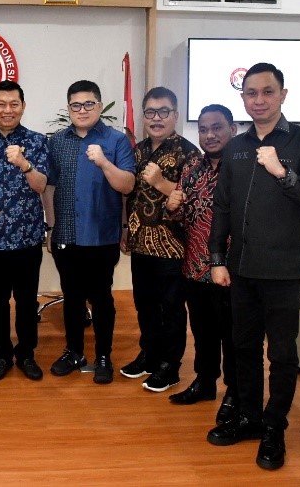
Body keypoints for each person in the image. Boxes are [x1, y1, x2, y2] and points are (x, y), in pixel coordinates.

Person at [205, 63, 300, 470]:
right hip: (241, 268)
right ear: (243, 97)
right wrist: (217, 259)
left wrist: (281, 171)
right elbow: (222, 206)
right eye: (251, 93)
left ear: (283, 95)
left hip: (284, 270)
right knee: (243, 348)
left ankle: (275, 428)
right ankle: (249, 418)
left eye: (267, 92)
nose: (259, 100)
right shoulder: (236, 147)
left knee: (281, 354)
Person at [44, 80, 135, 384]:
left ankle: (103, 356)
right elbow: (50, 187)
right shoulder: (57, 141)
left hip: (102, 234)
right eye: (75, 105)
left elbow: (127, 186)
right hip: (66, 234)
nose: (82, 110)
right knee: (72, 297)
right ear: (68, 108)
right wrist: (51, 226)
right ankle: (74, 352)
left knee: (101, 298)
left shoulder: (116, 140)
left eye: (88, 104)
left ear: (99, 105)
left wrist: (104, 162)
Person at [121, 86, 201, 393]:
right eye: (151, 112)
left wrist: (161, 182)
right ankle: (150, 354)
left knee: (172, 308)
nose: (157, 118)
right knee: (145, 304)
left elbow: (194, 200)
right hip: (140, 241)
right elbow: (129, 195)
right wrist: (125, 229)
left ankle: (170, 366)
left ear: (175, 115)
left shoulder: (189, 153)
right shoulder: (137, 150)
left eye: (163, 112)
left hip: (172, 246)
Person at [0, 81, 48, 382]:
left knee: (27, 302)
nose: (7, 110)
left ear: (23, 106)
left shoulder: (37, 141)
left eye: (14, 104)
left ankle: (26, 354)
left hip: (28, 236)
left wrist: (24, 164)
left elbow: (41, 186)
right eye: (1, 104)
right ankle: (1, 355)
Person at [164, 104, 238, 424]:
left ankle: (234, 391)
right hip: (194, 267)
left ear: (232, 129)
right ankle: (205, 382)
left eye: (217, 127)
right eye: (204, 129)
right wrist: (172, 205)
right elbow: (182, 215)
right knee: (203, 332)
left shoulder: (243, 168)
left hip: (231, 271)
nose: (209, 135)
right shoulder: (193, 167)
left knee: (232, 336)